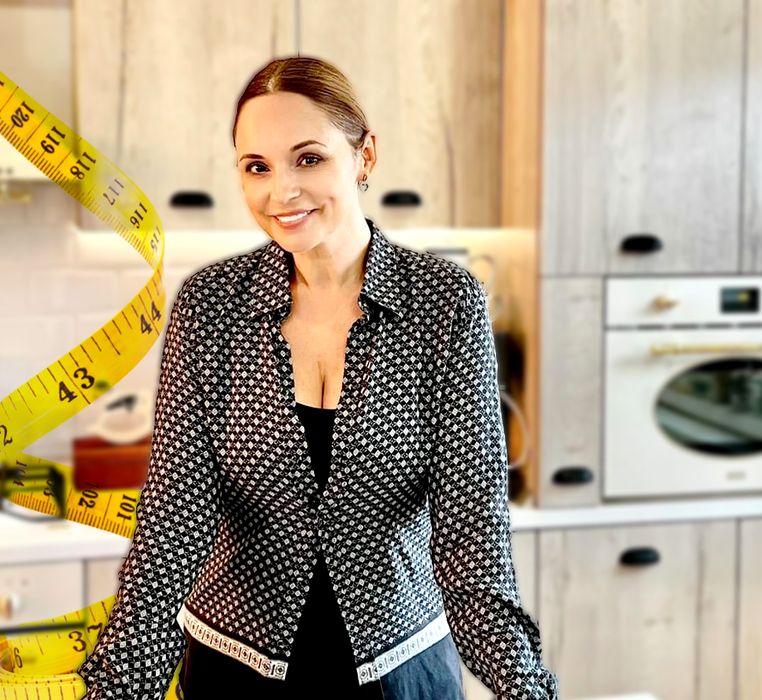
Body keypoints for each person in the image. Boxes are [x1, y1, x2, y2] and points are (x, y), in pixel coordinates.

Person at [76, 55, 559, 700]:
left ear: (364, 156)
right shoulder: (212, 307)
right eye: (257, 167)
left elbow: (475, 553)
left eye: (308, 159)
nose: (281, 193)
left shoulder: (444, 305)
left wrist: (530, 691)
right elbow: (172, 527)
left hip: (400, 671)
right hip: (234, 671)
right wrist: (116, 690)